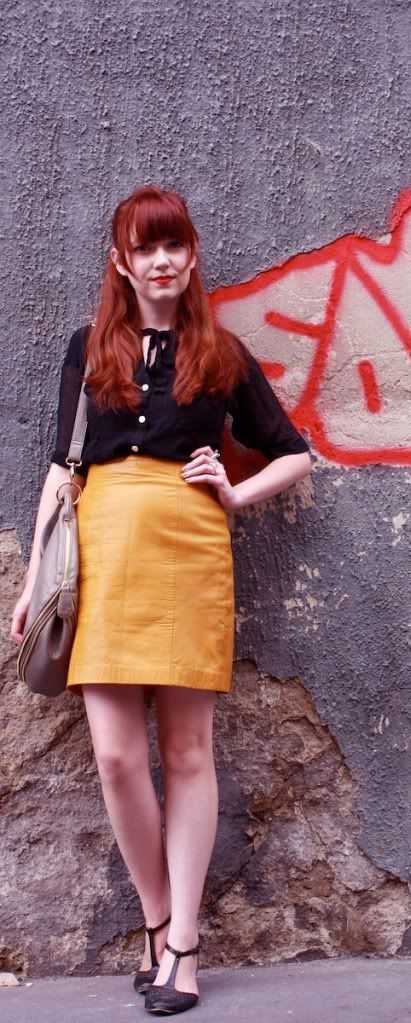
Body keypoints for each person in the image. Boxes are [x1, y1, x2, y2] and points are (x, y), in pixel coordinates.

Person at [10, 186, 312, 1016]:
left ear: (191, 255)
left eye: (174, 244)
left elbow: (294, 453)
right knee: (115, 757)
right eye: (145, 248)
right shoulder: (89, 348)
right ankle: (155, 918)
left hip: (188, 554)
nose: (162, 260)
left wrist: (236, 490)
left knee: (185, 754)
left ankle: (184, 949)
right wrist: (37, 577)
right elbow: (61, 470)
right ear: (121, 261)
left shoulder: (221, 352)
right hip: (103, 553)